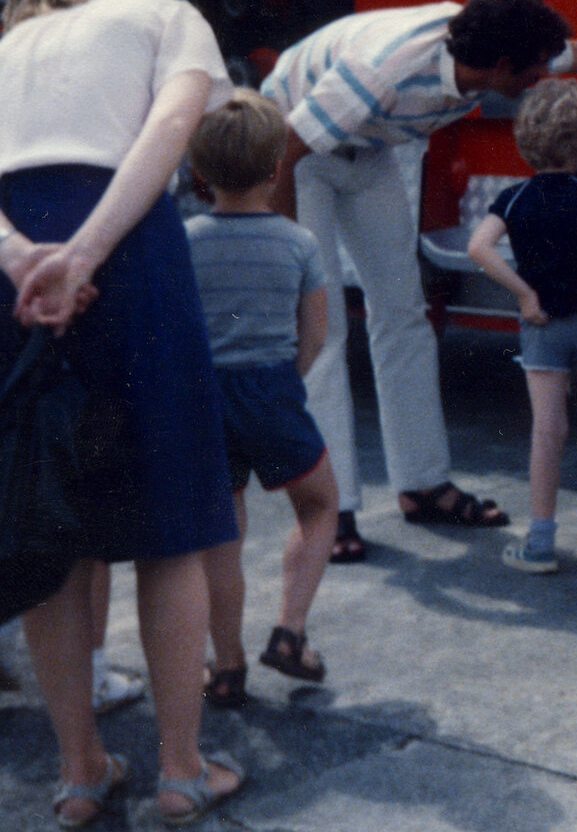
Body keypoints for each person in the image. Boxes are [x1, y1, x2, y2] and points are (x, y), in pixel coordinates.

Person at [0, 0, 244, 827]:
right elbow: (175, 125)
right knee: (171, 519)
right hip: (128, 247)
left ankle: (78, 772)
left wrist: (18, 256)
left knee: (47, 514)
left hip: (15, 265)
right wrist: (91, 250)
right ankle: (181, 770)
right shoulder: (162, 17)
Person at [261, 0, 577, 562]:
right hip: (296, 146)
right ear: (503, 66)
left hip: (367, 145)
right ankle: (333, 508)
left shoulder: (503, 51)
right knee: (324, 328)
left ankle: (422, 484)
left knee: (402, 311)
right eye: (533, 73)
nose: (541, 79)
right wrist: (278, 247)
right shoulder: (383, 69)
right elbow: (287, 146)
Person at [184, 89, 337, 708]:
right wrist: (286, 378)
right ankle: (290, 630)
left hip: (204, 395)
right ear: (277, 170)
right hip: (270, 385)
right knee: (319, 504)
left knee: (224, 532)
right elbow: (318, 331)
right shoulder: (297, 243)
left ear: (198, 174)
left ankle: (226, 666)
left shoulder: (185, 239)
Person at [466, 79, 577, 572]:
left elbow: (477, 248)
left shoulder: (514, 199)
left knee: (547, 431)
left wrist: (522, 293)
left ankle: (540, 543)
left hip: (541, 324)